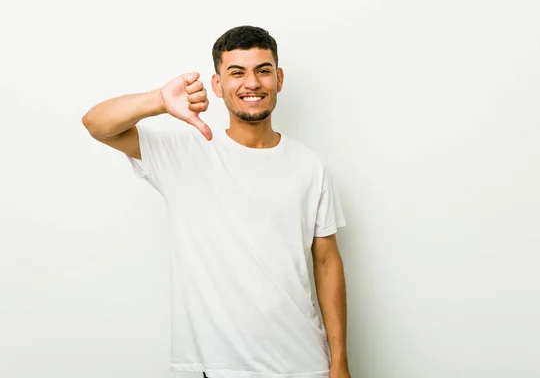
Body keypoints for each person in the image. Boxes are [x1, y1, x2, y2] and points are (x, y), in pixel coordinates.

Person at [82, 26, 350, 378]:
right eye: (236, 72)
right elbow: (97, 124)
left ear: (279, 79)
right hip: (218, 366)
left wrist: (339, 360)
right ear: (217, 84)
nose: (251, 83)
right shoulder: (184, 155)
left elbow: (327, 262)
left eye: (263, 70)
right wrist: (159, 101)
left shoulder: (310, 165)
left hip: (303, 365)